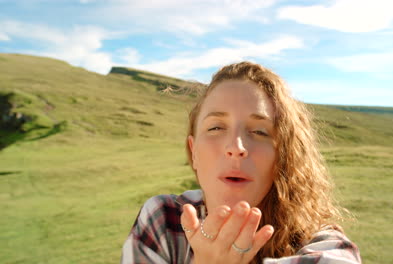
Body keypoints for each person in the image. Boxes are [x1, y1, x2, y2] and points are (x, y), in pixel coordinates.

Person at [121, 62, 361, 264]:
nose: (236, 148)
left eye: (259, 131)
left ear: (284, 154)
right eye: (215, 127)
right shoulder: (164, 220)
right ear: (194, 152)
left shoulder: (325, 247)